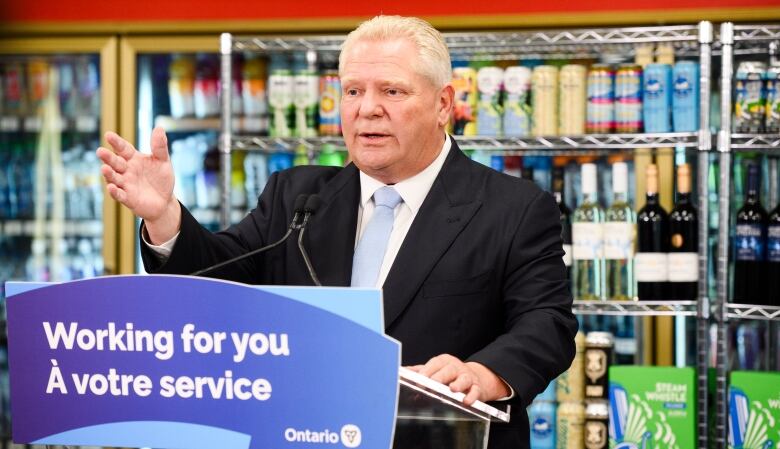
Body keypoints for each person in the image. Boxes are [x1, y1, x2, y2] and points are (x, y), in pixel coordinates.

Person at [97, 15, 577, 449]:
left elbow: (547, 325)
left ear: (442, 104)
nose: (366, 109)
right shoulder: (295, 196)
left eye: (392, 91)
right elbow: (219, 279)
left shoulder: (513, 208)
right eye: (352, 91)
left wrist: (483, 372)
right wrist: (164, 216)